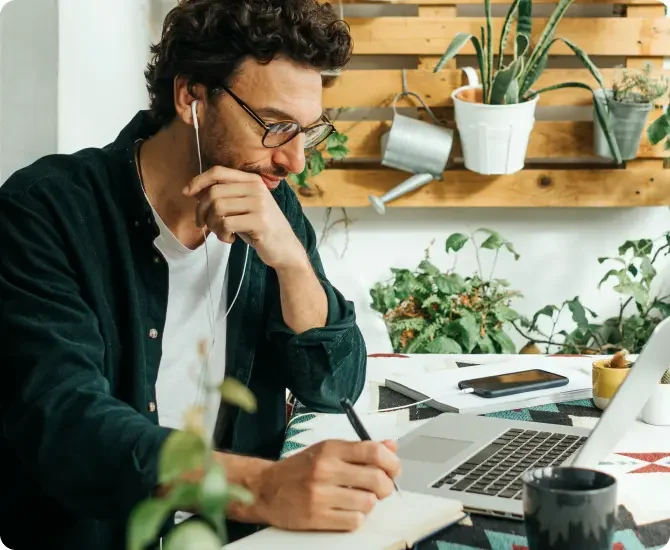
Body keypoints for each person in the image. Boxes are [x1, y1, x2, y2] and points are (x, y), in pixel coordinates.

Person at [0, 1, 402, 549]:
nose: (295, 161)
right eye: (275, 126)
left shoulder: (272, 207)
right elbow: (66, 423)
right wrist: (264, 487)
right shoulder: (46, 211)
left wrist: (291, 262)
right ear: (192, 97)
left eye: (307, 131)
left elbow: (333, 387)